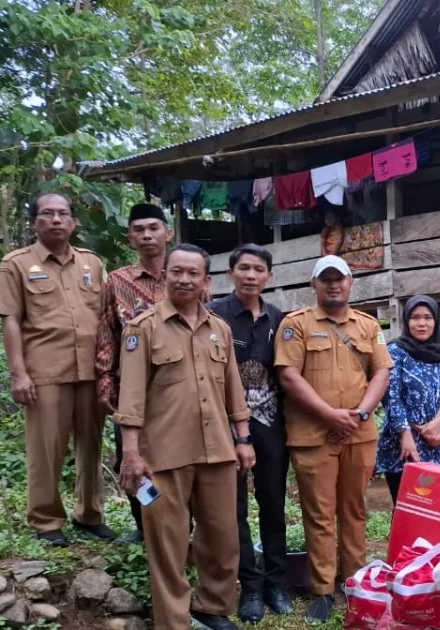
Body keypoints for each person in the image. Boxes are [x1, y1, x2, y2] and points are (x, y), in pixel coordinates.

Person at [116, 244, 254, 630]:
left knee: (223, 537)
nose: (184, 279)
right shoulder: (142, 329)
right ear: (166, 276)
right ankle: (174, 620)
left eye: (193, 273)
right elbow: (130, 398)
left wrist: (244, 439)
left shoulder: (220, 330)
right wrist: (131, 454)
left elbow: (234, 391)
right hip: (163, 455)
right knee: (168, 543)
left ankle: (212, 606)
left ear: (206, 280)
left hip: (218, 453)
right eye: (177, 271)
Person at [0, 192, 115, 547]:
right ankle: (46, 520)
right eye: (47, 214)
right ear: (33, 222)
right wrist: (19, 373)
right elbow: (10, 320)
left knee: (90, 446)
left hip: (90, 371)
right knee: (47, 449)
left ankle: (90, 515)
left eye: (63, 214)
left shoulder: (91, 263)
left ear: (74, 222)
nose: (56, 220)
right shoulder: (16, 263)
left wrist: (110, 368)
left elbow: (106, 317)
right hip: (46, 372)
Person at [275, 255, 393, 624]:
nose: (333, 285)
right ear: (314, 284)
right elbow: (289, 376)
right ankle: (323, 591)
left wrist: (359, 414)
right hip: (314, 435)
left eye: (339, 278)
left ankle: (355, 583)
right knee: (320, 515)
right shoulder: (295, 326)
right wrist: (330, 415)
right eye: (325, 279)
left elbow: (382, 372)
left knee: (355, 511)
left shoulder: (369, 326)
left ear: (350, 283)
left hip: (359, 435)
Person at [205, 244, 292, 624]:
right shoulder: (215, 316)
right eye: (244, 268)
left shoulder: (278, 319)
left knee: (273, 503)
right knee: (235, 507)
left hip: (271, 423)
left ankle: (277, 583)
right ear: (231, 273)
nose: (251, 275)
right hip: (226, 425)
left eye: (259, 269)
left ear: (269, 277)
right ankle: (251, 587)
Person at [95, 202, 173, 544]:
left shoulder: (187, 274)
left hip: (179, 389)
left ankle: (179, 528)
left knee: (178, 461)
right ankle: (145, 528)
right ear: (130, 238)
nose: (147, 235)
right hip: (132, 390)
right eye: (139, 230)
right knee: (133, 461)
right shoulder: (117, 282)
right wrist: (106, 385)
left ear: (168, 233)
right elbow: (106, 336)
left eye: (154, 228)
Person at [376, 295, 440, 502]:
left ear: (436, 321)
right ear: (407, 321)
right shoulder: (395, 352)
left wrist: (439, 422)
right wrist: (405, 435)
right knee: (408, 508)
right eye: (415, 317)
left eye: (428, 317)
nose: (422, 323)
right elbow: (391, 395)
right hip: (405, 444)